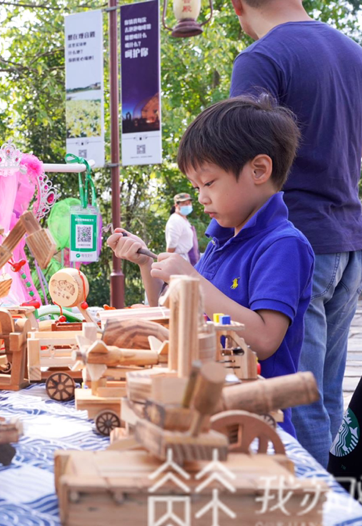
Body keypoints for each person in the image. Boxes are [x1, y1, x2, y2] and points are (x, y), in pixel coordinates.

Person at [229, 0, 362, 466]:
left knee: (298, 403)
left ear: (239, 6)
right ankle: (335, 516)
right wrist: (328, 140)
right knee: (326, 398)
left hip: (295, 246)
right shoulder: (353, 52)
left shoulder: (262, 57)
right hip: (349, 243)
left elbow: (240, 153)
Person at [108, 95, 313, 436]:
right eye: (195, 187)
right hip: (205, 411)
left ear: (259, 170)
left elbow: (263, 339)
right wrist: (148, 265)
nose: (201, 197)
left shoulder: (282, 245)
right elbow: (175, 315)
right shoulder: (221, 243)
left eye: (209, 183)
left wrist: (190, 278)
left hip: (254, 420)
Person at [166, 192, 200, 265]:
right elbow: (171, 246)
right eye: (185, 204)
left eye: (189, 203)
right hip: (181, 261)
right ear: (176, 205)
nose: (188, 206)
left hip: (190, 259)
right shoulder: (175, 220)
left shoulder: (184, 220)